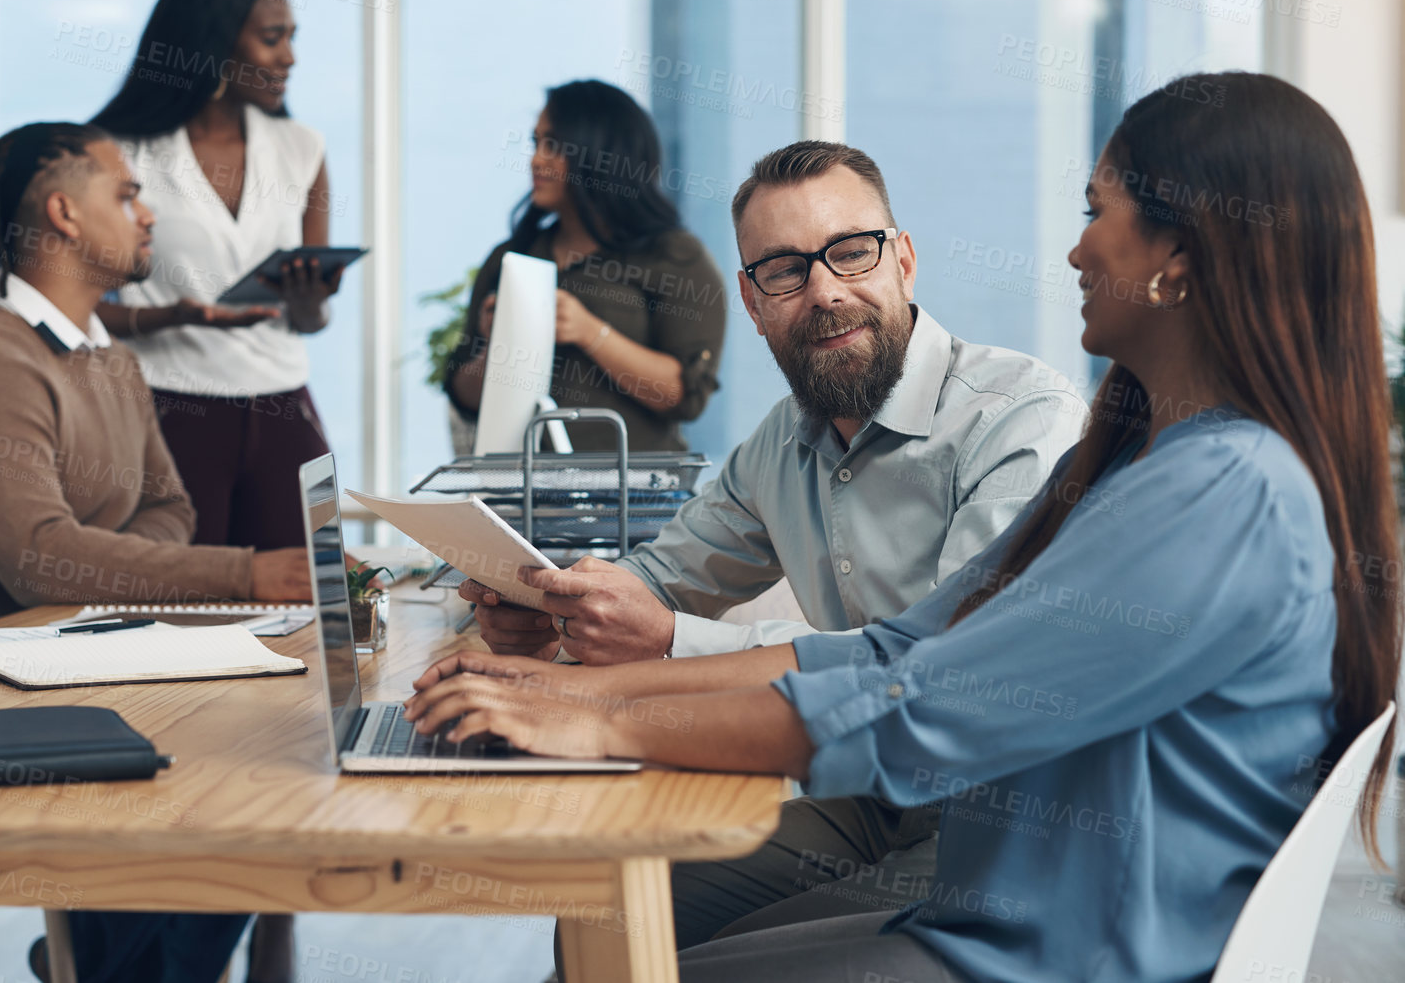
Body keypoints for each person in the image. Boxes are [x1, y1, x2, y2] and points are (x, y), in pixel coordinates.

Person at [407, 71, 1402, 981]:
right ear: (753, 300)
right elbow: (897, 648)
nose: (1072, 245)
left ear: (1176, 260)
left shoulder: (1215, 491)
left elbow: (916, 706)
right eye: (788, 270)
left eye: (1095, 211)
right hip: (1003, 904)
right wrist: (571, 681)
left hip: (1054, 948)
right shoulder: (1153, 461)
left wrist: (597, 713)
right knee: (622, 941)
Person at [458, 138, 1089, 930]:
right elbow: (657, 577)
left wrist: (657, 645)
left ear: (903, 262)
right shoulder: (778, 443)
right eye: (785, 270)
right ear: (753, 305)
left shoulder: (1021, 418)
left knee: (699, 954)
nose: (824, 292)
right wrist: (552, 608)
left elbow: (933, 668)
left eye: (850, 254)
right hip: (868, 798)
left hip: (1002, 819)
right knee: (614, 913)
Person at [0, 121, 314, 982]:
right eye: (125, 195)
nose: (148, 213)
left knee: (251, 768)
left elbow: (170, 505)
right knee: (209, 784)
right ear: (64, 214)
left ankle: (101, 967)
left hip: (51, 661)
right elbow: (40, 559)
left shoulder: (110, 361)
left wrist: (104, 564)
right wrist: (246, 572)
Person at [93, 0, 342, 558]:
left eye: (291, 37)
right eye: (271, 38)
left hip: (286, 407)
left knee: (322, 592)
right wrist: (176, 315)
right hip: (168, 409)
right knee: (177, 610)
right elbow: (82, 310)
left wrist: (309, 304)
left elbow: (312, 321)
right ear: (216, 42)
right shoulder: (120, 151)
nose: (290, 57)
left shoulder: (302, 148)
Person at [444, 79, 728, 453]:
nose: (536, 160)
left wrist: (588, 331)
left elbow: (685, 397)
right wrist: (498, 347)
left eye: (554, 146)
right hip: (523, 494)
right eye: (536, 143)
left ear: (601, 155)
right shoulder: (513, 256)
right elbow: (464, 398)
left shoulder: (674, 257)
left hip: (637, 497)